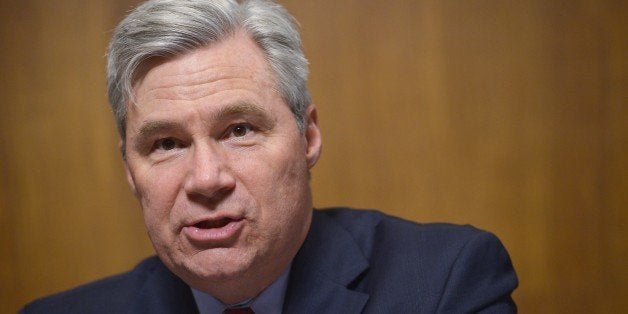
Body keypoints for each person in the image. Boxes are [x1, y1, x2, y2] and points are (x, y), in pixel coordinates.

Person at [21, 0, 518, 313]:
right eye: (166, 143)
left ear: (307, 138)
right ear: (131, 170)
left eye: (239, 130)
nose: (206, 178)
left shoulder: (445, 285)